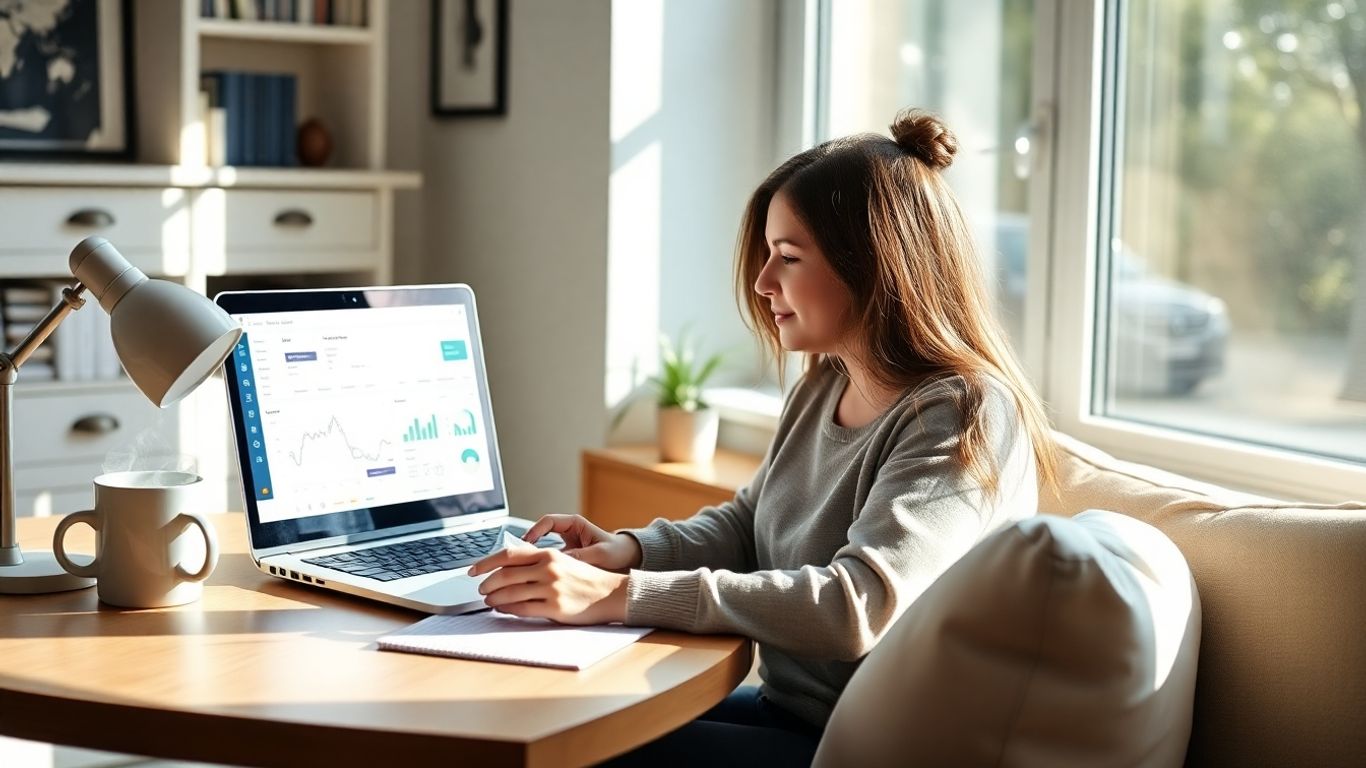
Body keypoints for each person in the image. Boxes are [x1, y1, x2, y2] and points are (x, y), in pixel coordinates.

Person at [468, 108, 1059, 766]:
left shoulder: (962, 413)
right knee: (549, 716)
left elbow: (855, 605)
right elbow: (750, 526)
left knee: (568, 749)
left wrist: (619, 598)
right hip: (795, 717)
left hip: (866, 747)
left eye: (788, 257)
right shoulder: (824, 385)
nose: (762, 282)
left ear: (873, 266)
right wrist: (626, 553)